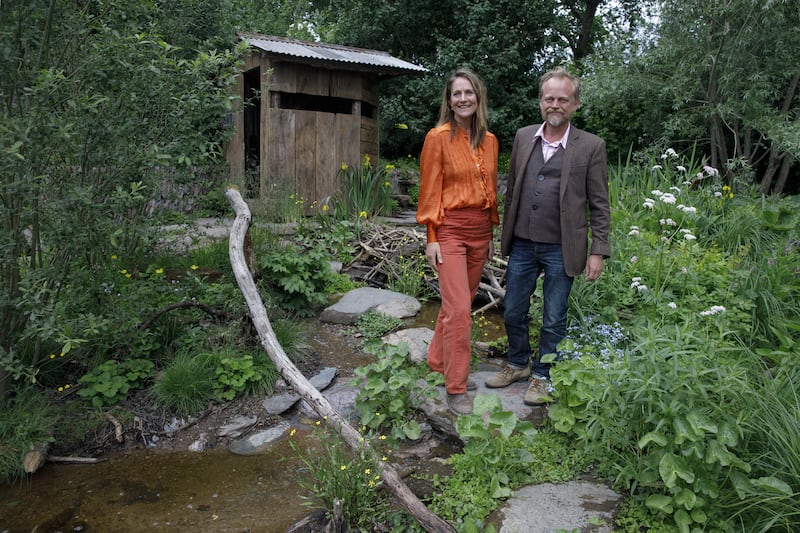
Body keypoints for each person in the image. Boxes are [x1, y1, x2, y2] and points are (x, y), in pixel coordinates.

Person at [485, 66, 610, 406]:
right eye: (549, 98)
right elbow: (512, 190)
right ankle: (517, 363)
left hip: (562, 247)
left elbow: (600, 204)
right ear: (541, 101)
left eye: (563, 99)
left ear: (575, 105)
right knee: (512, 309)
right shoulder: (524, 137)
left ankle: (542, 376)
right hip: (523, 242)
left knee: (554, 315)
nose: (555, 104)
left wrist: (598, 250)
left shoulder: (591, 147)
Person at [416, 68, 499, 416]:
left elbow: (491, 192)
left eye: (468, 92)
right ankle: (456, 386)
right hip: (449, 231)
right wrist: (431, 236)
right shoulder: (438, 137)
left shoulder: (491, 140)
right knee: (461, 310)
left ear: (477, 98)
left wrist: (491, 232)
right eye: (456, 94)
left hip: (480, 232)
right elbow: (430, 190)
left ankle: (437, 361)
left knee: (453, 309)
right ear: (448, 101)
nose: (462, 98)